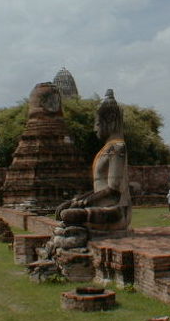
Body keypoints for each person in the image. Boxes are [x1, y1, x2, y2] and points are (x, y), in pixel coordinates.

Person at [56, 89, 132, 232]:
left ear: (110, 119)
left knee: (68, 215)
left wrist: (84, 202)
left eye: (97, 123)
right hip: (101, 206)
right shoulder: (107, 149)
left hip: (117, 211)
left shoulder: (118, 147)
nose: (94, 128)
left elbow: (113, 190)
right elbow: (100, 189)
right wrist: (75, 200)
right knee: (63, 211)